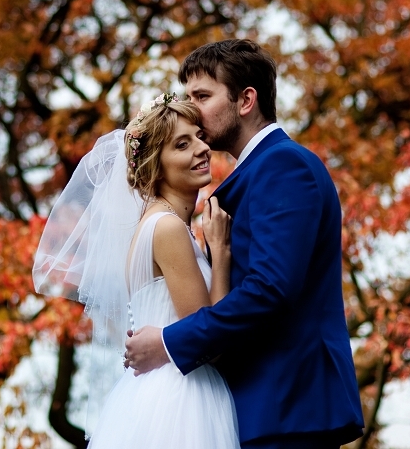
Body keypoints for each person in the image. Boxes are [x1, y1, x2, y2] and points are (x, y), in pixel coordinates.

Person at [124, 40, 365, 449]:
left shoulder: (283, 165)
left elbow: (272, 288)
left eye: (202, 96)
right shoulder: (248, 177)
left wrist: (168, 342)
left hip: (288, 406)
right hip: (257, 409)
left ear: (245, 100)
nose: (193, 109)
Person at [33, 94, 240, 449]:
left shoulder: (155, 226)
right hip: (183, 399)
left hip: (154, 393)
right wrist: (220, 255)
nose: (202, 149)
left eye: (199, 137)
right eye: (182, 144)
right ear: (156, 167)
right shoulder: (168, 229)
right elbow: (210, 339)